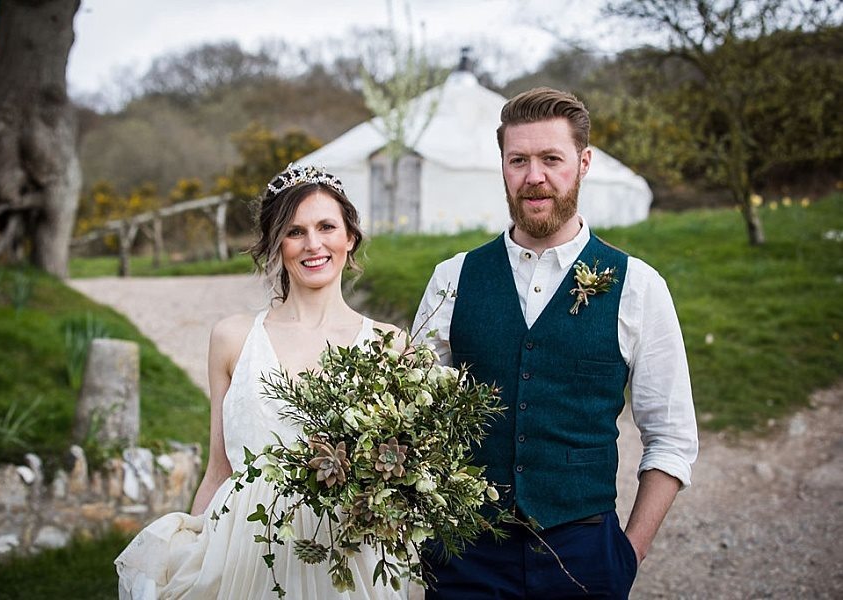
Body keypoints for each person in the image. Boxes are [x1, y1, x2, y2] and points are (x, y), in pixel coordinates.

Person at [412, 87, 698, 599]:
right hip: (465, 556)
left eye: (551, 159)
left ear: (584, 162)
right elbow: (413, 417)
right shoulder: (453, 278)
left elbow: (671, 437)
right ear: (501, 165)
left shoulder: (637, 285)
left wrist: (627, 556)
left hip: (584, 555)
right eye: (518, 160)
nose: (534, 177)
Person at [116, 164, 405, 599]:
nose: (313, 244)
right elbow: (220, 468)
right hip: (245, 554)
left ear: (350, 236)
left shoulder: (388, 344)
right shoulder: (233, 338)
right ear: (276, 244)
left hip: (348, 557)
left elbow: (396, 475)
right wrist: (195, 551)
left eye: (326, 226)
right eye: (294, 231)